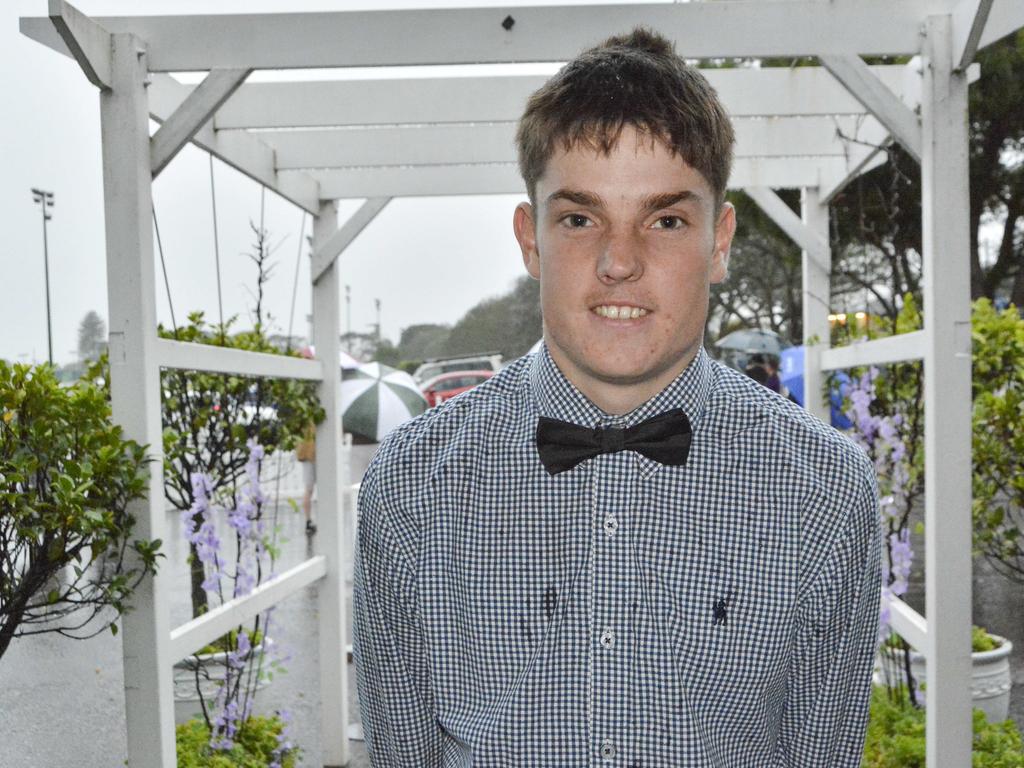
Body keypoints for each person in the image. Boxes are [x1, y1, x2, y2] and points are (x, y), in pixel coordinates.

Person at [353, 28, 881, 767]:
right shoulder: (410, 483)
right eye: (579, 218)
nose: (620, 261)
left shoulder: (825, 491)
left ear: (719, 240)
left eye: (665, 220)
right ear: (530, 239)